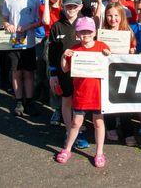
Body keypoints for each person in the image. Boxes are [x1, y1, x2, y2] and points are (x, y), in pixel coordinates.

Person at [55, 16, 111, 168]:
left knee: (99, 122)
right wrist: (64, 56)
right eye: (82, 32)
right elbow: (65, 68)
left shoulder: (102, 46)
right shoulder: (74, 49)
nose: (85, 34)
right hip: (81, 93)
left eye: (88, 31)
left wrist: (108, 55)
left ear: (94, 32)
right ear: (77, 34)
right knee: (75, 123)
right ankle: (67, 149)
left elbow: (111, 65)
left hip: (98, 93)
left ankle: (99, 152)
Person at [48, 0, 89, 149]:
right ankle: (68, 130)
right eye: (67, 6)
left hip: (83, 72)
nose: (70, 9)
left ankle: (79, 130)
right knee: (66, 101)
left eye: (73, 6)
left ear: (79, 7)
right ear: (63, 7)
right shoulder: (57, 26)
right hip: (63, 72)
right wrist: (53, 74)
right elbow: (51, 54)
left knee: (80, 104)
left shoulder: (85, 23)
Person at [1, 0, 41, 116]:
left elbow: (39, 21)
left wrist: (27, 27)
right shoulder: (8, 0)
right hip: (13, 42)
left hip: (29, 42)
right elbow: (4, 18)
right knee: (16, 72)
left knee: (29, 73)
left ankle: (29, 101)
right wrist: (7, 25)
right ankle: (18, 100)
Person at [102, 2, 137, 144]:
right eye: (109, 15)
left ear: (121, 16)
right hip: (108, 73)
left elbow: (133, 51)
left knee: (124, 105)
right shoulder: (102, 33)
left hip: (124, 73)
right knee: (108, 101)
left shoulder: (128, 32)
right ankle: (110, 128)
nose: (113, 19)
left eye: (116, 15)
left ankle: (128, 132)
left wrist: (131, 52)